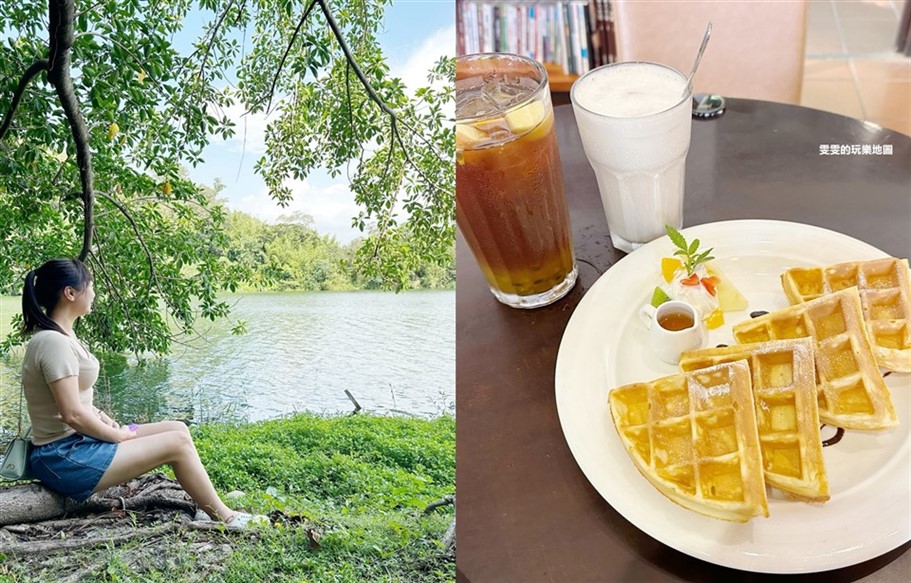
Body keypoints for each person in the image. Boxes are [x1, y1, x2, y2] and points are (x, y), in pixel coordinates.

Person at [21, 258, 265, 528]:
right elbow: (72, 414)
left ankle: (204, 504)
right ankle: (225, 517)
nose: (94, 293)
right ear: (70, 293)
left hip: (81, 444)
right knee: (177, 445)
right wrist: (117, 436)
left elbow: (77, 400)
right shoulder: (52, 342)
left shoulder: (64, 337)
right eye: (90, 286)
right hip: (64, 457)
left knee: (178, 429)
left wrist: (102, 417)